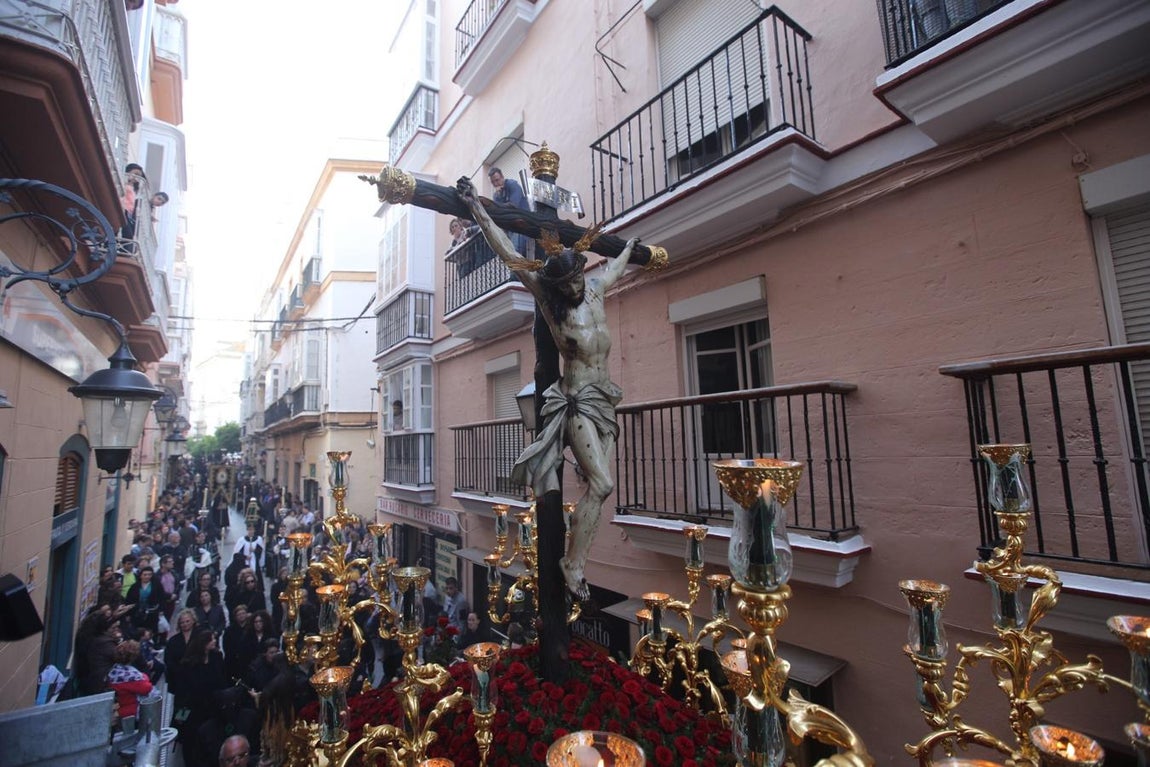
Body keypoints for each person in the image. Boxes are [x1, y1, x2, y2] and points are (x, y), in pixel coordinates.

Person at [459, 176, 640, 599]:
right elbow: (507, 252)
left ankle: (577, 558)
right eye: (568, 285)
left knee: (598, 489)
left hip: (604, 400)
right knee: (604, 483)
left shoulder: (595, 290)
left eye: (578, 279)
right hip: (576, 402)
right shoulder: (549, 300)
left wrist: (632, 248)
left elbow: (613, 268)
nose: (575, 287)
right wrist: (478, 210)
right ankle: (572, 565)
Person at [107, 640, 152, 721]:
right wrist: (145, 677)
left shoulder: (115, 670)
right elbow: (147, 687)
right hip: (130, 709)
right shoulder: (130, 676)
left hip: (121, 706)